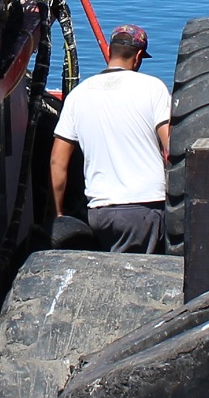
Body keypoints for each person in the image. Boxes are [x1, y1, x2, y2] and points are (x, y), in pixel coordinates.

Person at [51, 25, 173, 252]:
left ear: (109, 51)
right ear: (138, 57)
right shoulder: (153, 88)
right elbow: (171, 148)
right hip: (145, 209)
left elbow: (58, 161)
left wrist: (59, 213)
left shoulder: (78, 95)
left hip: (100, 212)